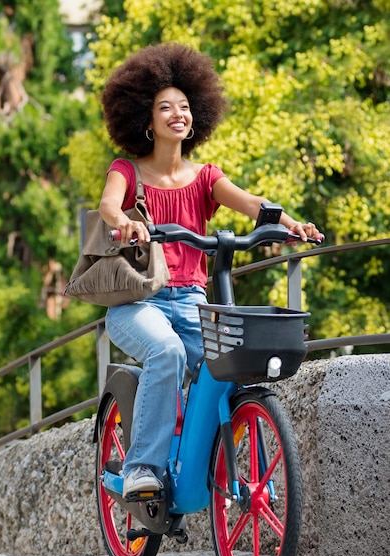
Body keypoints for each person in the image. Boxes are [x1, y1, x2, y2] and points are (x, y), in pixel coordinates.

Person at [98, 43, 322, 499]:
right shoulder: (128, 170)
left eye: (184, 106)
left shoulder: (205, 177)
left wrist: (290, 224)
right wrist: (127, 223)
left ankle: (218, 464)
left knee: (234, 366)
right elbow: (107, 205)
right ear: (147, 119)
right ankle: (142, 467)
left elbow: (252, 203)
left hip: (192, 300)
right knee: (167, 353)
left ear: (195, 115)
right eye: (165, 107)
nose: (177, 113)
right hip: (139, 302)